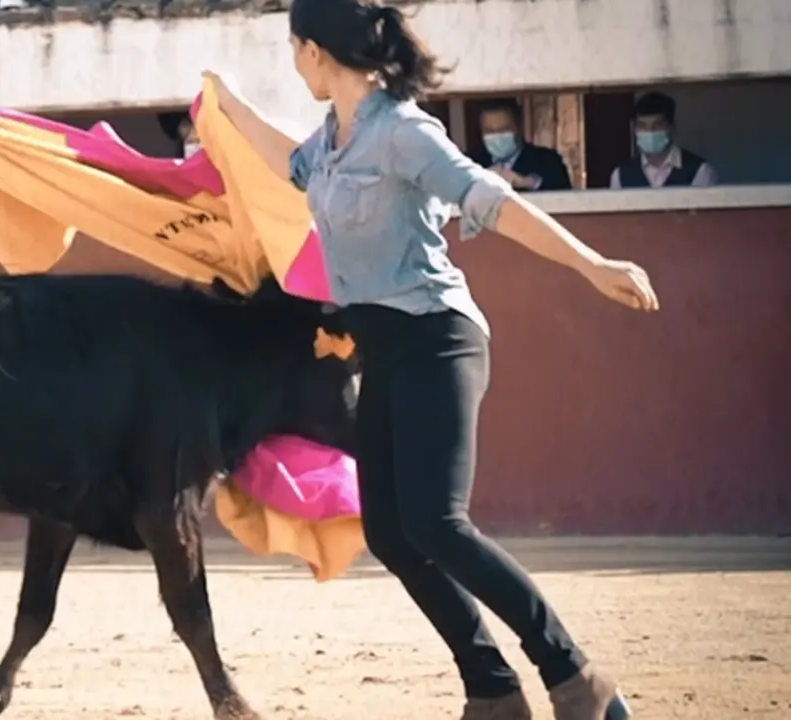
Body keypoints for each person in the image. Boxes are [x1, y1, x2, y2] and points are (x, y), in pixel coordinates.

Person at [205, 2, 655, 719]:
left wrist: (591, 263)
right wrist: (228, 103)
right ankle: (492, 689)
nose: (295, 64)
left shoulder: (403, 133)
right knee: (391, 530)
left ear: (317, 51)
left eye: (294, 51)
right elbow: (284, 158)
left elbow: (493, 201)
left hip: (439, 340)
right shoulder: (331, 140)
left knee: (438, 524)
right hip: (384, 352)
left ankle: (576, 678)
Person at [609, 91, 717, 189]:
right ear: (635, 129)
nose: (649, 131)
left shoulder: (699, 171)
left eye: (657, 125)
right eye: (642, 126)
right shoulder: (620, 175)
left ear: (671, 127)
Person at [469, 98, 573, 192]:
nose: (497, 136)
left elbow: (566, 197)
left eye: (504, 129)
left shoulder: (548, 161)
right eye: (489, 131)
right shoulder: (470, 163)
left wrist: (530, 182)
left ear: (519, 127)